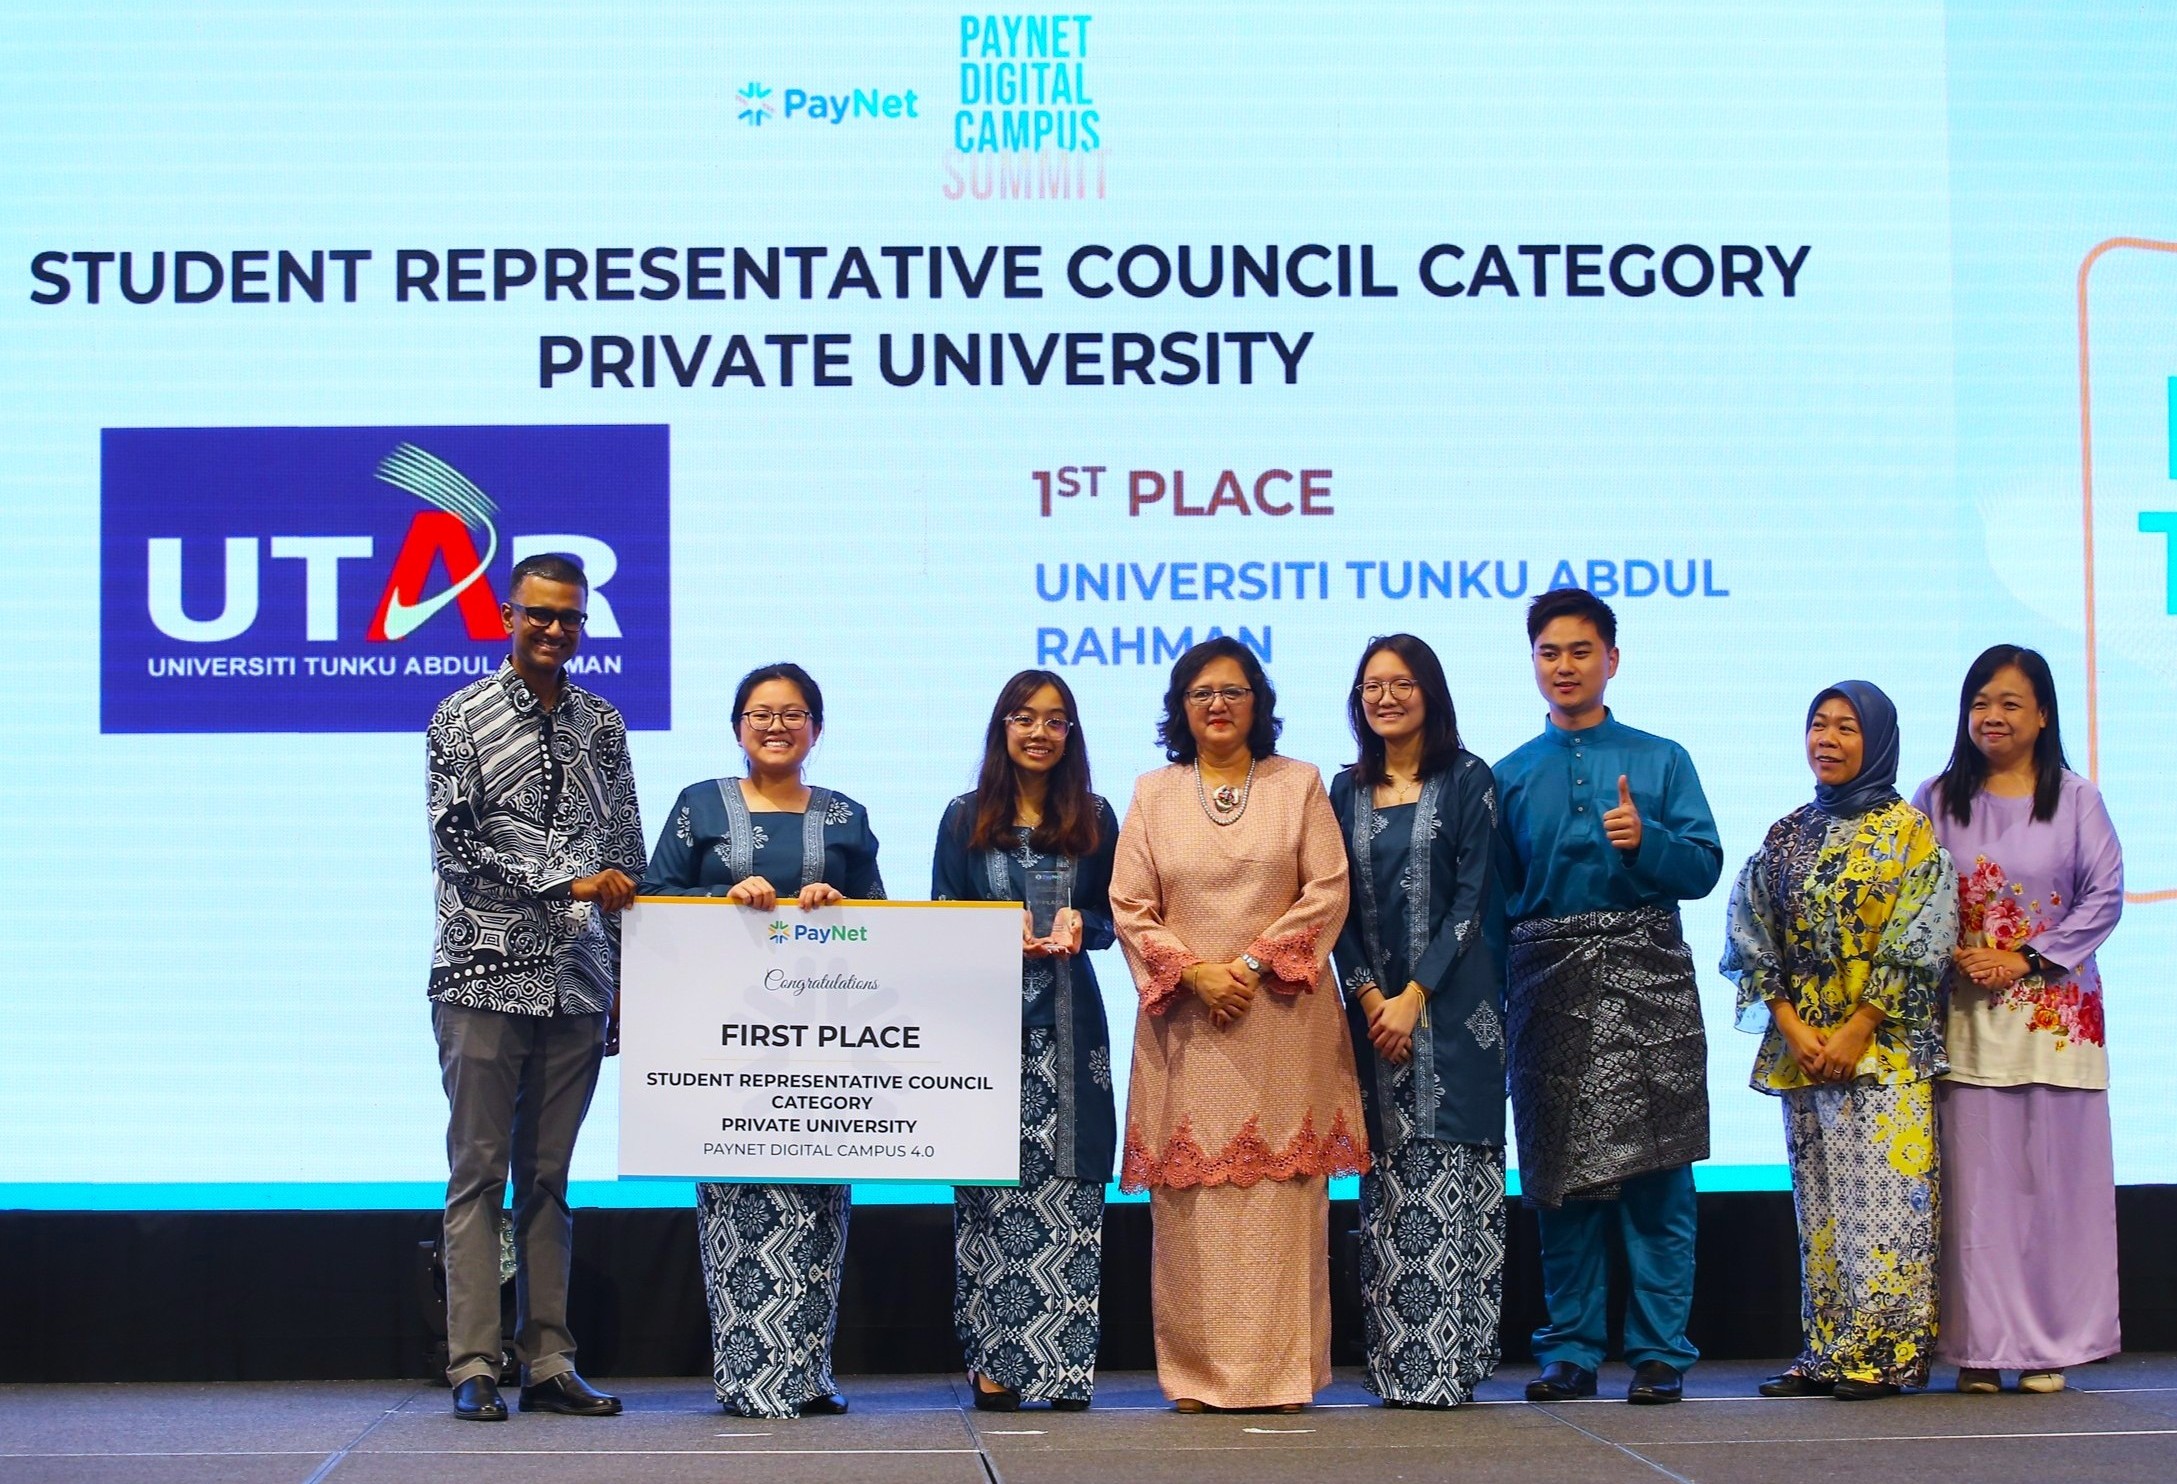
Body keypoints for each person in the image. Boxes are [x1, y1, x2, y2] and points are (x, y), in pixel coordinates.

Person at [1110, 636, 1367, 1412]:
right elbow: (1129, 905)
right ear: (1179, 710)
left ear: (1258, 703)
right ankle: (1195, 1379)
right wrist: (1193, 972)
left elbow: (1326, 891)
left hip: (1281, 1020)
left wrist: (1249, 967)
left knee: (1281, 1203)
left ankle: (1282, 1379)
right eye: (1200, 694)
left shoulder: (1300, 785)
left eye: (1232, 691)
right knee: (1194, 1211)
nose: (1216, 705)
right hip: (1186, 1025)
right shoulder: (1153, 793)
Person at [426, 552, 644, 1422]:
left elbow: (624, 850)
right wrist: (570, 883)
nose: (554, 631)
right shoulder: (460, 715)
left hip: (578, 980)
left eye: (570, 618)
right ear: (506, 615)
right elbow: (460, 842)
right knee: (477, 1173)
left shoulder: (603, 723)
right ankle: (472, 1363)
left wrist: (626, 978)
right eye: (538, 615)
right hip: (481, 972)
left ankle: (548, 1360)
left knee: (550, 1177)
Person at [638, 662, 884, 1418]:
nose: (776, 726)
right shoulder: (698, 806)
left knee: (819, 1203)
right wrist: (721, 894)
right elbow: (652, 898)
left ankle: (809, 1376)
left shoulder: (844, 814)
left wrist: (837, 903)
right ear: (738, 725)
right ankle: (747, 1378)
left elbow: (886, 914)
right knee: (738, 1206)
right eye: (759, 714)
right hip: (725, 1047)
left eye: (792, 713)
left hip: (825, 1045)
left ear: (816, 725)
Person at [1494, 588, 1721, 1406]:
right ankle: (1570, 1351)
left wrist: (1646, 842)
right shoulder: (1509, 775)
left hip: (1646, 976)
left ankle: (1660, 1351)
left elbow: (1701, 869)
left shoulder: (1661, 759)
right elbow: (1497, 904)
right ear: (1533, 664)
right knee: (1562, 1183)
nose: (1564, 666)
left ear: (1611, 660)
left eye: (1580, 651)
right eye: (1549, 653)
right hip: (1546, 986)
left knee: (1659, 1177)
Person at [1725, 681, 1957, 1400]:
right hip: (1804, 1051)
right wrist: (1794, 1029)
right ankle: (1827, 1348)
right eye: (1816, 726)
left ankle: (1886, 1354)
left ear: (1877, 740)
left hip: (1881, 1051)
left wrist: (1857, 1027)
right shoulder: (1786, 834)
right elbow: (1750, 930)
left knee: (1886, 1203)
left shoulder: (1908, 833)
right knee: (1820, 1207)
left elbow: (1923, 933)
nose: (1825, 739)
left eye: (1845, 728)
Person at [1912, 646, 2124, 1394]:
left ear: (2040, 714)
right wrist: (1950, 951)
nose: (1990, 716)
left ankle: (2050, 1348)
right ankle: (1975, 1348)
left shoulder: (2074, 798)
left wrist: (2026, 959)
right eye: (1979, 702)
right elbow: (1908, 899)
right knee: (1976, 1200)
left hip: (2056, 1024)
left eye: (2008, 703)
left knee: (2055, 1194)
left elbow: (2103, 896)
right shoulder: (1935, 798)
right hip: (1964, 1025)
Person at [933, 670, 1120, 1413]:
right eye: (1023, 717)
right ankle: (998, 1366)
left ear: (1070, 735)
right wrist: (988, 927)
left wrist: (1086, 925)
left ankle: (1063, 1366)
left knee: (1070, 1193)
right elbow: (941, 908)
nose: (1038, 732)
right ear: (1001, 727)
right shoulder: (963, 816)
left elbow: (1115, 916)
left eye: (1054, 720)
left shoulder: (1097, 815)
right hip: (987, 1029)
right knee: (991, 1192)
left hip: (1072, 1029)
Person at [1329, 634, 1508, 1409]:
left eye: (1401, 683)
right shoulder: (1344, 789)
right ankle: (1401, 1367)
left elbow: (1473, 902)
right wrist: (1371, 995)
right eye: (1372, 685)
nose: (1385, 697)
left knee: (1455, 1179)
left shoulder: (1469, 779)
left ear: (1429, 693)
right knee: (1390, 1189)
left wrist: (1414, 996)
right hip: (1371, 1025)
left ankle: (1450, 1364)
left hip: (1457, 1018)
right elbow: (1331, 905)